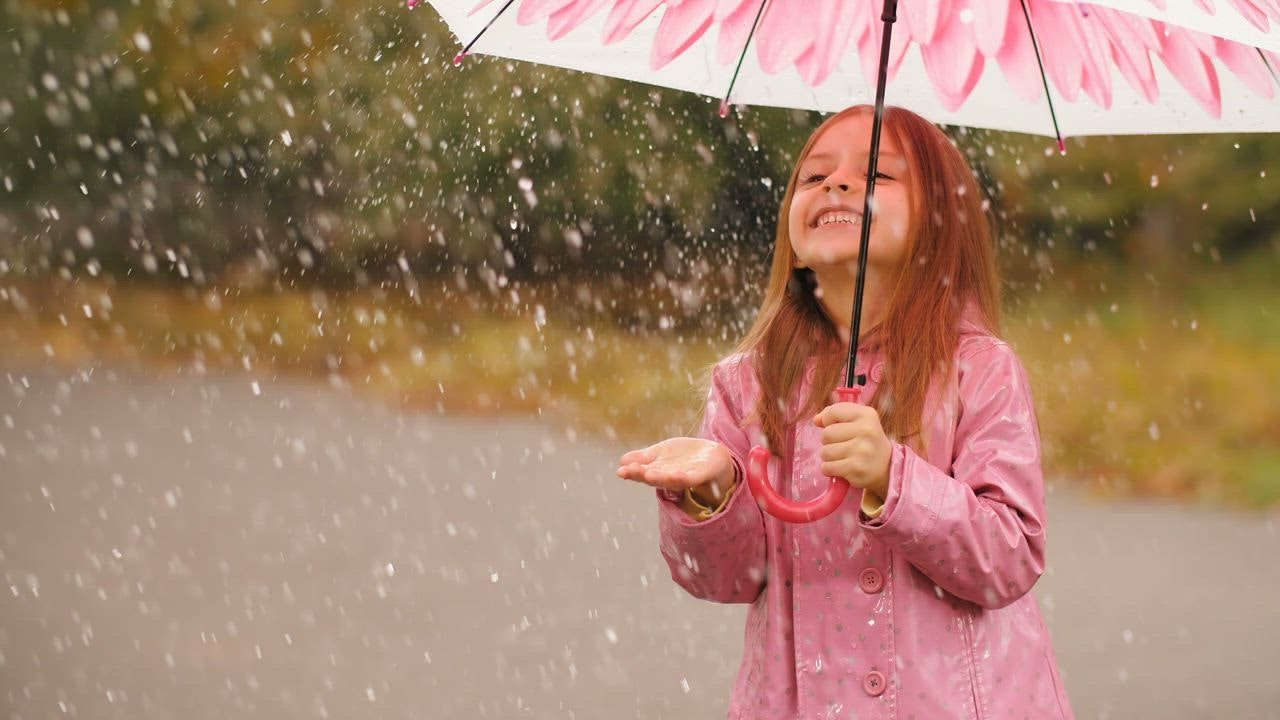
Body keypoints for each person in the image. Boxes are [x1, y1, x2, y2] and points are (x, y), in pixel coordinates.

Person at [615, 104, 1074, 719]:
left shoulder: (979, 370)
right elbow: (721, 577)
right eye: (813, 177)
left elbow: (1009, 557)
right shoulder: (748, 384)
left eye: (876, 176)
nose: (834, 184)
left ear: (939, 221)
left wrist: (895, 479)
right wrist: (713, 495)